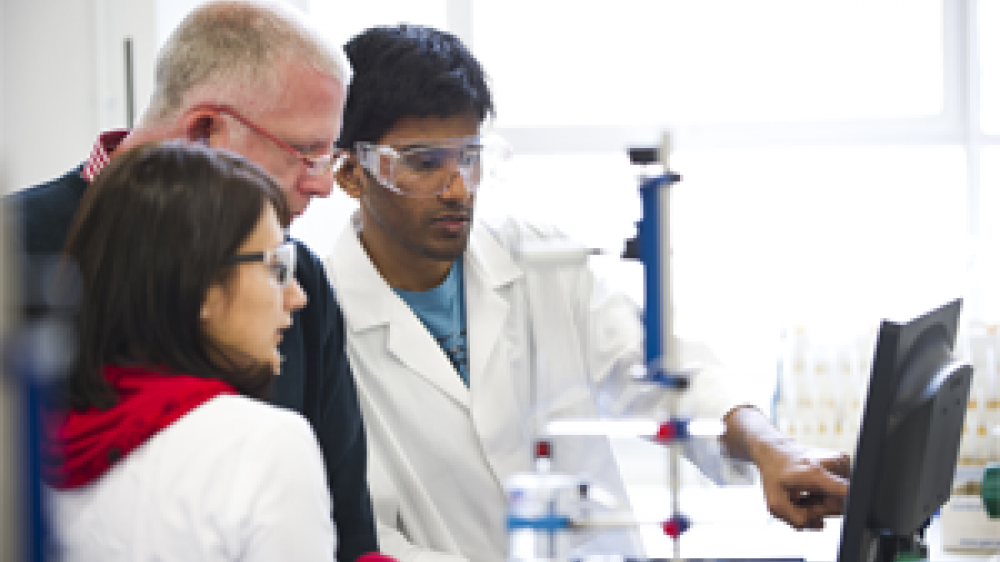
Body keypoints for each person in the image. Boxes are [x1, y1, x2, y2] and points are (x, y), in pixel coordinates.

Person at [324, 24, 852, 562]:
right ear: (349, 172)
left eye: (469, 156)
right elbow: (361, 535)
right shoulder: (318, 323)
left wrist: (772, 449)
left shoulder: (538, 259)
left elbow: (660, 373)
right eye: (423, 163)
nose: (459, 188)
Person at [5, 3, 378, 561]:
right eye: (305, 153)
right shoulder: (11, 255)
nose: (323, 186)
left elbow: (343, 525)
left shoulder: (299, 279)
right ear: (204, 131)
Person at [45, 142, 331, 560]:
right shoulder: (263, 446)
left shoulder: (30, 442)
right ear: (198, 286)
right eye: (275, 267)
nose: (297, 296)